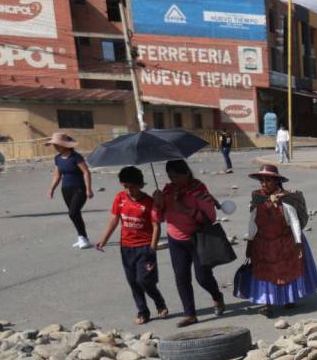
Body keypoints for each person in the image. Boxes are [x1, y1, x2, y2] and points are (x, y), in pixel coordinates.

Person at [237, 165, 317, 318]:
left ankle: (289, 299)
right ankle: (268, 304)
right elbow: (252, 221)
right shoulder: (257, 198)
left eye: (268, 180)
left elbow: (294, 221)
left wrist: (297, 243)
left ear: (276, 181)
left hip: (285, 242)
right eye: (262, 181)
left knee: (287, 272)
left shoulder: (286, 199)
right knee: (265, 273)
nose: (264, 183)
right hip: (263, 243)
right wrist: (250, 242)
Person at [154, 159, 225, 327]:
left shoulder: (199, 190)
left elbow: (210, 217)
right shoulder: (168, 191)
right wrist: (157, 204)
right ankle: (190, 314)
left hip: (197, 238)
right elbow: (158, 218)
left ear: (187, 173)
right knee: (181, 278)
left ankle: (216, 296)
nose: (174, 180)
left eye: (177, 176)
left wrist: (186, 209)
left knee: (203, 277)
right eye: (171, 177)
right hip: (176, 239)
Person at [94, 166, 168, 324]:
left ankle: (159, 301)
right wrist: (104, 239)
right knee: (133, 281)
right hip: (126, 247)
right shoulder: (120, 198)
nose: (129, 190)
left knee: (144, 280)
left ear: (141, 185)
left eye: (132, 187)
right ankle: (143, 311)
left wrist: (152, 248)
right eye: (125, 186)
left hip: (145, 247)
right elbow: (114, 220)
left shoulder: (149, 202)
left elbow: (156, 226)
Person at [47, 132, 94, 248]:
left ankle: (83, 238)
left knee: (72, 212)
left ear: (64, 145)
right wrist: (51, 189)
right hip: (66, 190)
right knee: (75, 214)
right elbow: (57, 175)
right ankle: (82, 237)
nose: (55, 147)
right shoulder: (57, 158)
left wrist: (88, 189)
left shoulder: (76, 157)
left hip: (79, 189)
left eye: (57, 145)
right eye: (54, 145)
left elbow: (86, 172)